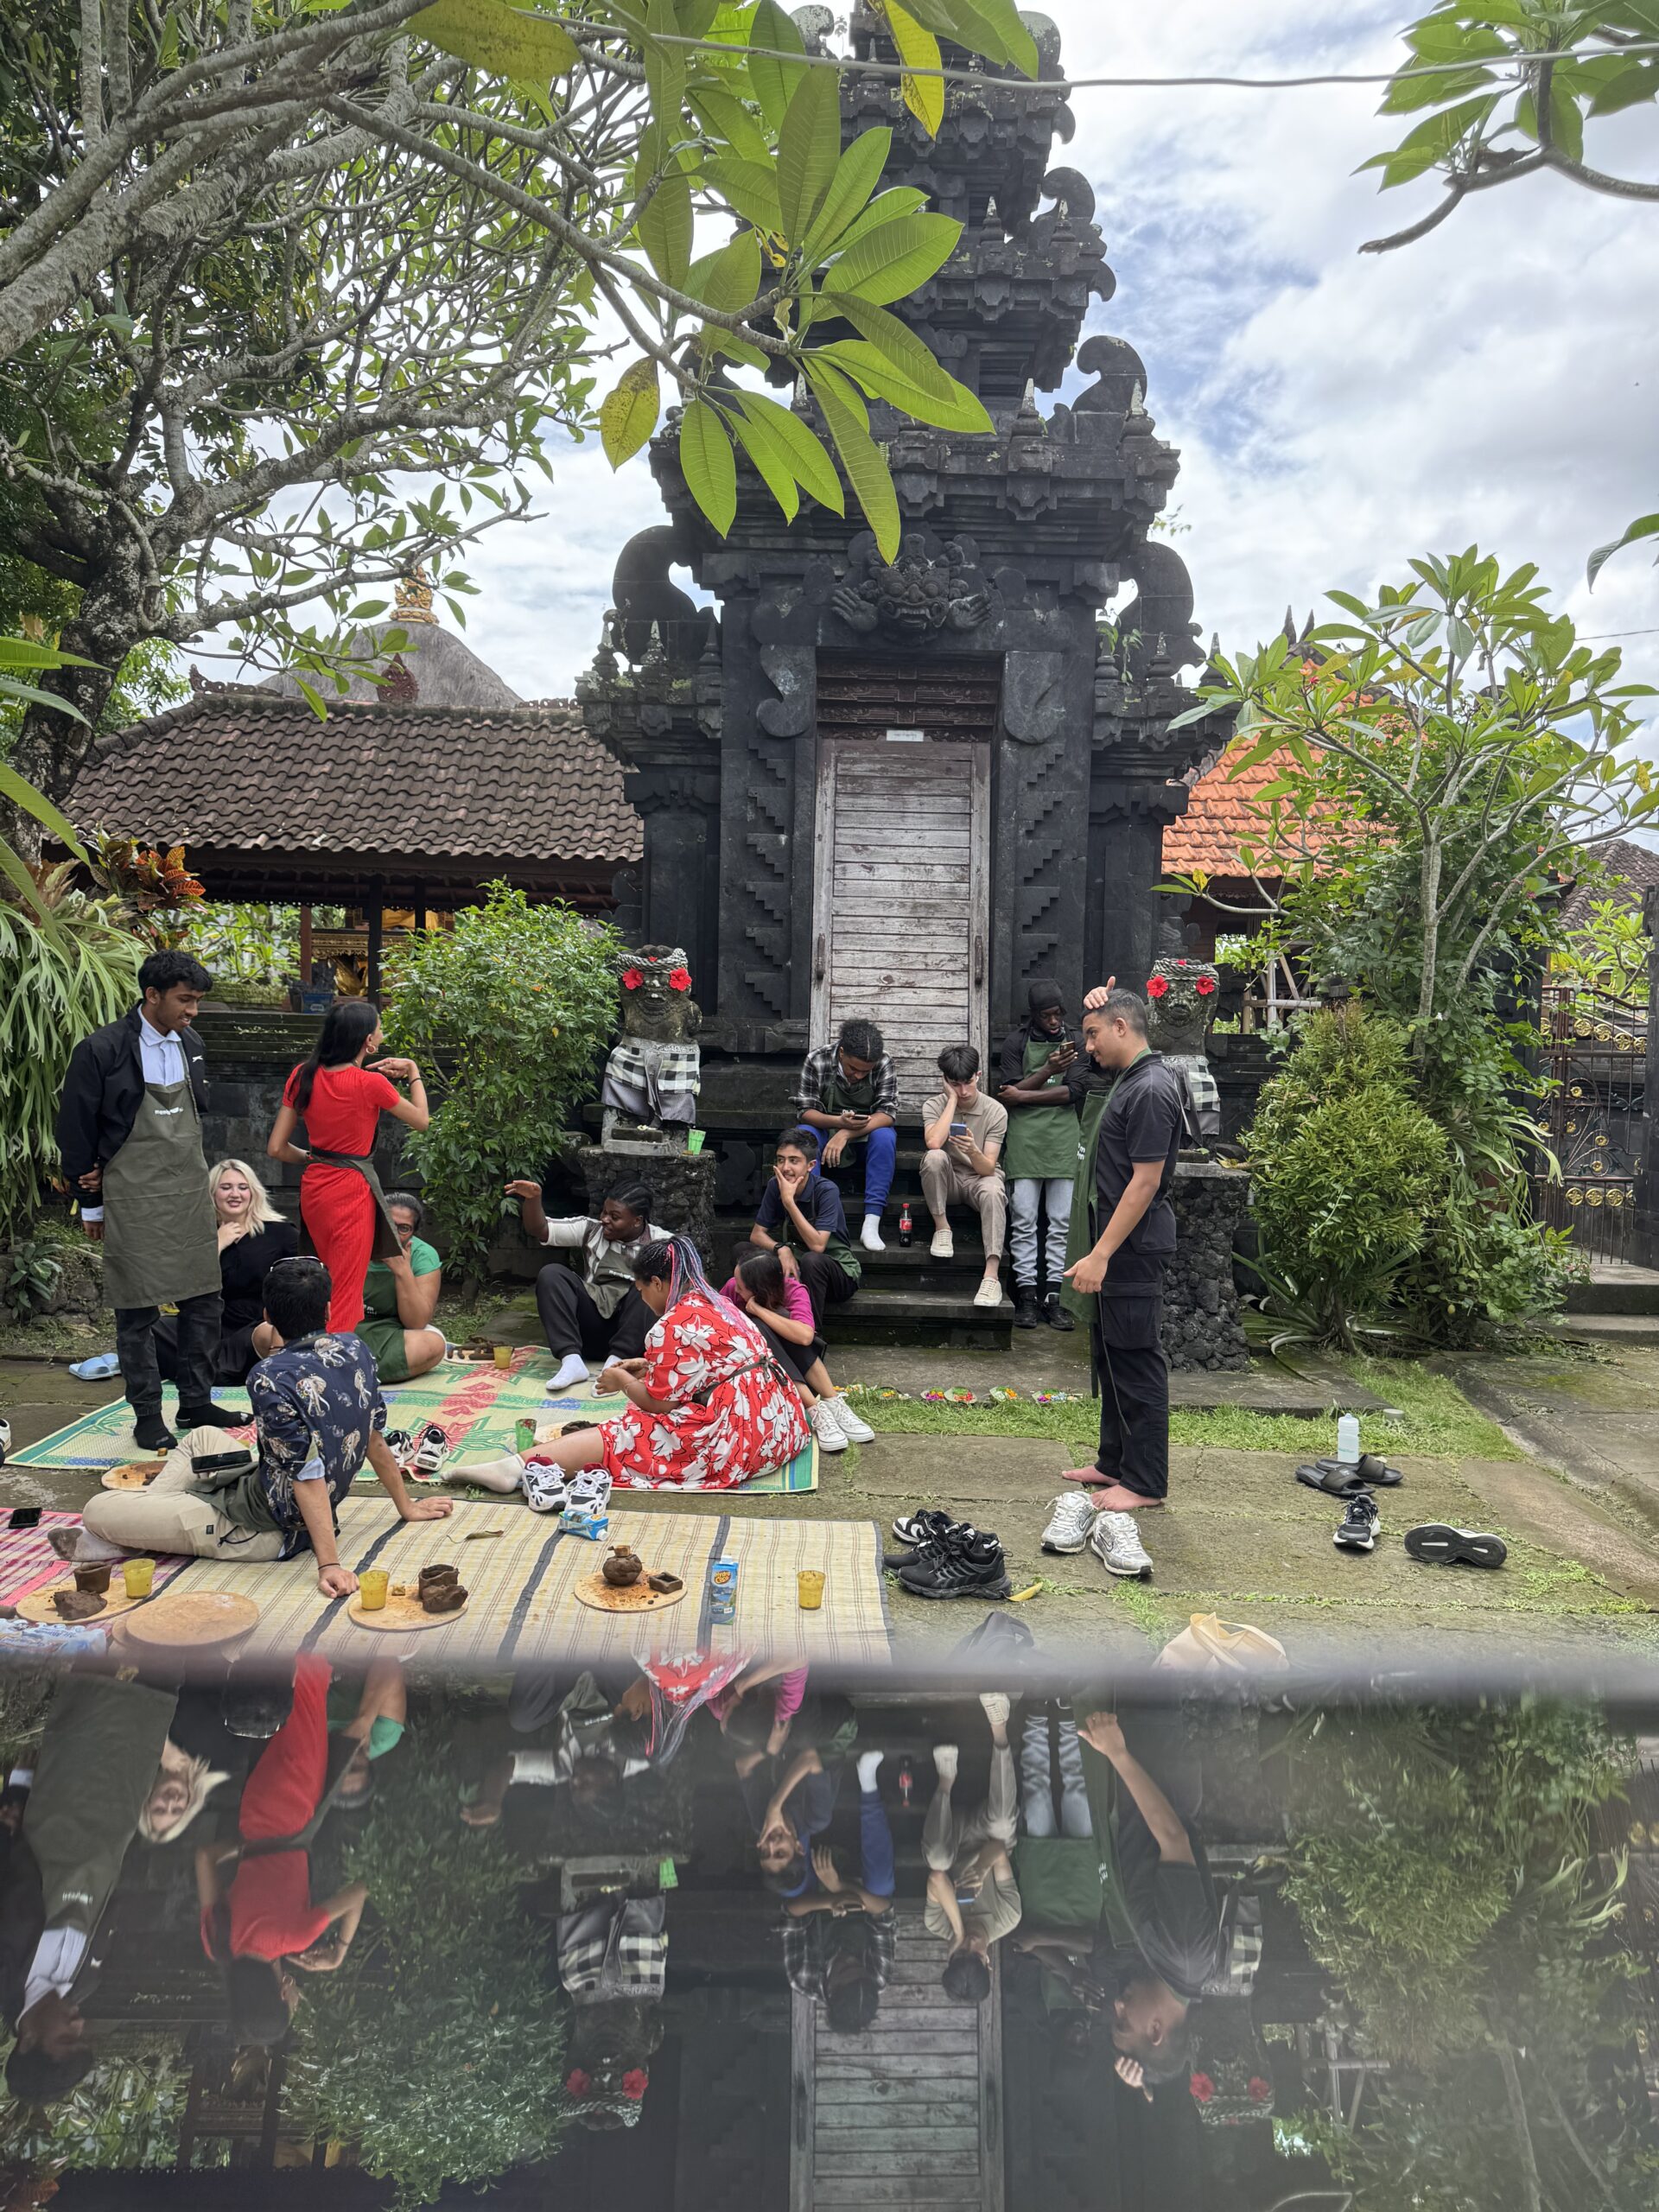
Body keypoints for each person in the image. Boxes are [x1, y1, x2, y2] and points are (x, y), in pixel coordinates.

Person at [78, 1255, 452, 1592]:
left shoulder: (268, 1376)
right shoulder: (355, 1349)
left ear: (267, 1316)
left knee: (98, 1509)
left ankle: (147, 1522)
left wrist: (330, 1565)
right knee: (203, 1437)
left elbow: (308, 1474)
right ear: (328, 1309)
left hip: (269, 1529)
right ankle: (156, 1515)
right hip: (271, 1488)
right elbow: (374, 1439)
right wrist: (406, 1505)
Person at [3, 1669, 223, 2102]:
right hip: (121, 1794)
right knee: (162, 1683)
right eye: (83, 2038)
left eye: (67, 2039)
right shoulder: (87, 1984)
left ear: (28, 2041)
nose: (79, 2026)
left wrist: (17, 1786)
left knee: (104, 1668)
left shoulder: (4, 1974)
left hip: (66, 1783)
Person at [55, 947, 228, 1452]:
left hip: (189, 1189)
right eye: (185, 999)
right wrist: (90, 1202)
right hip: (132, 1193)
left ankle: (196, 1402)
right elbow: (76, 1127)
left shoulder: (190, 1042)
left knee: (204, 1299)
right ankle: (147, 1414)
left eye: (195, 1001)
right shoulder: (102, 1049)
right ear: (151, 995)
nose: (192, 1011)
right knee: (136, 1311)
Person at [1046, 984, 1186, 1585]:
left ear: (1123, 1028)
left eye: (1094, 1035)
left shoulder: (1153, 1088)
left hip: (1129, 1251)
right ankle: (1112, 1464)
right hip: (1112, 1248)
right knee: (1109, 1358)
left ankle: (1145, 1483)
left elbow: (1144, 1182)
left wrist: (1102, 1252)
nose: (1087, 1046)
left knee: (1136, 1361)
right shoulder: (1132, 1078)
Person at [506, 1235, 810, 1492]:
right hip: (779, 1424)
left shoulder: (670, 1325)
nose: (644, 1299)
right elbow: (711, 1369)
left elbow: (660, 1406)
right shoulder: (719, 1302)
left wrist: (622, 1382)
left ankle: (518, 1466)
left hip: (738, 1439)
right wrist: (647, 1367)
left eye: (642, 1291)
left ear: (656, 1283)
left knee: (633, 1430)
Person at [196, 1656, 372, 2046]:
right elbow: (205, 1857)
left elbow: (359, 1891)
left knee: (311, 1678)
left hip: (294, 1805)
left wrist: (339, 1951)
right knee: (284, 1699)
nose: (298, 1998)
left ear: (280, 1995)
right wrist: (244, 1848)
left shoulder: (297, 1937)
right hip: (254, 1812)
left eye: (294, 2005)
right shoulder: (218, 1944)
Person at [1072, 1704, 1224, 2093]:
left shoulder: (1166, 1971)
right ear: (1156, 2029)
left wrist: (1145, 2081)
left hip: (1132, 1755)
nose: (1117, 2007)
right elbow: (1173, 1839)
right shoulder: (1186, 1955)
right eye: (1124, 2022)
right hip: (1150, 1747)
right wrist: (1119, 1754)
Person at [266, 998, 429, 1335]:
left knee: (323, 1280)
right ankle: (335, 1365)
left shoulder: (303, 1075)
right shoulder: (369, 1083)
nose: (382, 1035)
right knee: (345, 1291)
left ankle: (316, 1352)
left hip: (315, 1187)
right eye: (379, 1030)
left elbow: (277, 1148)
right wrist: (413, 1071)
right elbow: (422, 1121)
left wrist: (312, 1158)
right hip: (351, 1191)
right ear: (368, 1041)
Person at [505, 1178, 668, 1394]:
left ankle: (617, 1366)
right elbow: (540, 1228)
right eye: (604, 1212)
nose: (605, 1220)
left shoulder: (662, 1244)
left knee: (648, 1286)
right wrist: (533, 1199)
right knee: (551, 1273)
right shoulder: (591, 1230)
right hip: (591, 1330)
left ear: (637, 1221)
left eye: (615, 1217)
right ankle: (571, 1361)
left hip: (633, 1339)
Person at [156, 1159, 299, 1388]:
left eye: (243, 1187)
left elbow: (300, 1282)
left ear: (253, 1192)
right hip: (209, 1325)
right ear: (213, 1193)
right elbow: (180, 1293)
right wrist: (216, 1245)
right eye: (226, 1188)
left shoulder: (280, 1232)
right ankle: (212, 1373)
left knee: (271, 1333)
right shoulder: (198, 1236)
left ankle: (210, 1374)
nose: (235, 1194)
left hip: (255, 1324)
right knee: (156, 1327)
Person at [781, 1750, 896, 2034]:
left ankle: (795, 1792)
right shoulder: (878, 1977)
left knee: (792, 1883)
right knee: (882, 1883)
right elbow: (883, 1911)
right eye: (859, 1967)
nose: (852, 1961)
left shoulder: (802, 1978)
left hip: (812, 1895)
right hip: (854, 1884)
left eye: (846, 1969)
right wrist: (841, 1887)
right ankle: (868, 1783)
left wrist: (829, 1899)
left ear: (830, 1991)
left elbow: (790, 1914)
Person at [724, 1247, 875, 1456]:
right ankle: (816, 1410)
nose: (736, 1290)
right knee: (760, 1328)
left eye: (741, 1287)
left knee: (782, 1322)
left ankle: (833, 1403)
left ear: (759, 1289)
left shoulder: (794, 1290)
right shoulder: (732, 1288)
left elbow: (805, 1336)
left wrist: (758, 1310)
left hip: (790, 1364)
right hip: (752, 1366)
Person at [996, 981, 1083, 1332]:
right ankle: (1027, 1297)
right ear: (1034, 1015)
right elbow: (1006, 1093)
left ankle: (1055, 1297)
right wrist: (1047, 1072)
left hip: (1063, 1139)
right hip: (1024, 1141)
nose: (1054, 1021)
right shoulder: (1015, 1042)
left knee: (1061, 1222)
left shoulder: (1075, 1041)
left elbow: (1074, 1091)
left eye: (1058, 1013)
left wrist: (1022, 1095)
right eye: (1046, 1015)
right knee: (1024, 1219)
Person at [924, 1692, 1021, 2002]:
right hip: (985, 1833)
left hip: (951, 1835)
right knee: (1005, 1828)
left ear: (951, 1955)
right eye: (975, 1954)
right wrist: (980, 1870)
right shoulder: (1008, 1918)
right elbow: (999, 1849)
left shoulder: (938, 1924)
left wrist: (958, 1929)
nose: (970, 1945)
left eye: (960, 1952)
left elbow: (938, 1879)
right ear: (988, 1962)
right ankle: (999, 1726)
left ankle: (946, 1779)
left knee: (937, 1859)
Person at [791, 1018, 898, 1254]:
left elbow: (888, 1113)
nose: (858, 1075)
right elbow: (806, 1111)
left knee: (885, 1137)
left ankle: (872, 1221)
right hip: (823, 1128)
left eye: (865, 1072)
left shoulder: (883, 1062)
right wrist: (838, 1123)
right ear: (841, 1053)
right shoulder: (817, 1060)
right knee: (803, 1137)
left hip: (863, 1135)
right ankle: (812, 1218)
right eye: (853, 1068)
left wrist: (846, 1133)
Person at [920, 1046, 1009, 1310]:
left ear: (978, 1075)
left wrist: (972, 1150)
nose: (964, 1091)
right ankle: (942, 1228)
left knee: (994, 1189)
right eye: (955, 1084)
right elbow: (934, 1142)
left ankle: (991, 1275)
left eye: (968, 1082)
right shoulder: (934, 1105)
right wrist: (951, 1102)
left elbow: (987, 1169)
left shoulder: (996, 1111)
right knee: (934, 1157)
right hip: (948, 1180)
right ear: (945, 1082)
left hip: (979, 1179)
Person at [749, 1126, 861, 1329]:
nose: (785, 1168)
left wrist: (789, 1202)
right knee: (744, 1253)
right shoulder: (776, 1184)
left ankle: (810, 1335)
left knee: (813, 1260)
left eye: (794, 1161)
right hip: (794, 1265)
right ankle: (751, 1329)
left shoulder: (826, 1191)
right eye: (781, 1159)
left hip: (837, 1272)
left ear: (810, 1165)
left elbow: (818, 1245)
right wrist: (781, 1249)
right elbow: (757, 1235)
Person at [355, 1190, 445, 1382]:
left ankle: (349, 1374)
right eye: (388, 1225)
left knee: (434, 1344)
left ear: (413, 1233)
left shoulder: (423, 1255)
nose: (393, 1234)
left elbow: (416, 1323)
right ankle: (361, 1373)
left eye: (403, 1228)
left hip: (392, 1332)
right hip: (347, 1328)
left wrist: (403, 1272)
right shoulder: (353, 1243)